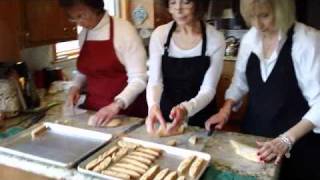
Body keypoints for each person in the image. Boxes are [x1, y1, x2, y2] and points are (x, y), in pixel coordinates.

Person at [205, 0, 320, 179]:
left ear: (283, 10)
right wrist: (226, 109)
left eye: (265, 15)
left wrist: (286, 140)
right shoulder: (250, 39)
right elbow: (239, 84)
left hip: (299, 144)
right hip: (255, 138)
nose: (257, 24)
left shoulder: (307, 41)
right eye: (252, 16)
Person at [59, 0, 148, 126]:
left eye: (80, 16)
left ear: (95, 8)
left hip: (126, 111)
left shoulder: (124, 30)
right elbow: (85, 71)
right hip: (93, 109)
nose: (78, 23)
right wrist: (75, 87)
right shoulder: (84, 34)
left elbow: (139, 79)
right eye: (73, 18)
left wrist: (116, 105)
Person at [146, 0, 225, 134]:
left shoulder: (215, 39)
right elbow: (155, 81)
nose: (178, 9)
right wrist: (153, 105)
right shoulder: (160, 35)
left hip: (201, 118)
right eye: (173, 3)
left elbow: (208, 89)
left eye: (186, 2)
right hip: (166, 116)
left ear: (198, 5)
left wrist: (186, 109)